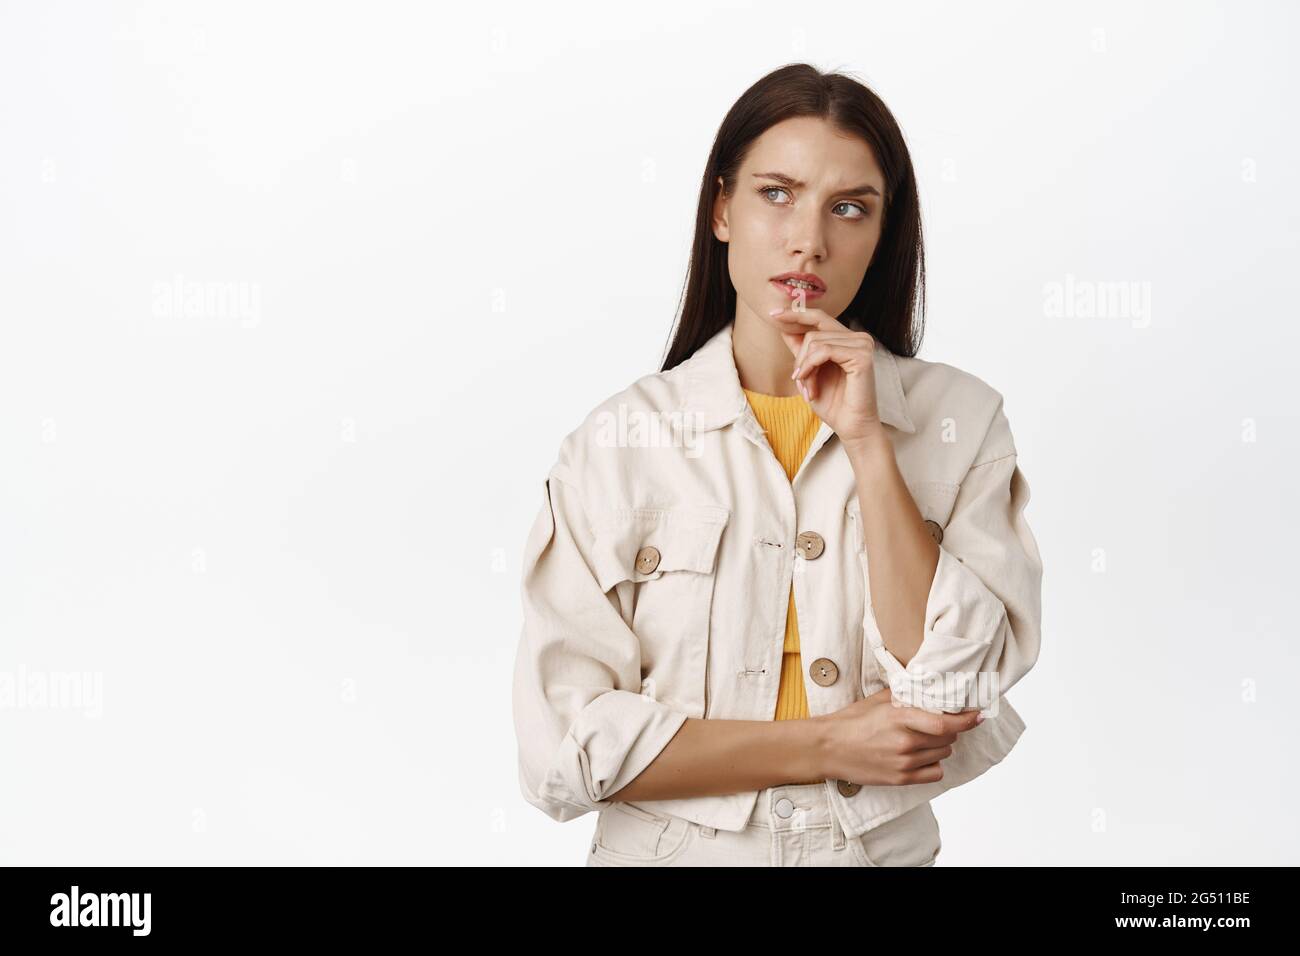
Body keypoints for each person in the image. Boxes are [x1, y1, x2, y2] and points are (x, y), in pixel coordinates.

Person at [511, 63, 1044, 866]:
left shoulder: (959, 425)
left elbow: (950, 694)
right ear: (722, 208)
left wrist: (869, 444)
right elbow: (566, 750)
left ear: (882, 231)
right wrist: (823, 745)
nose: (809, 239)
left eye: (849, 208)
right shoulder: (618, 443)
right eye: (776, 194)